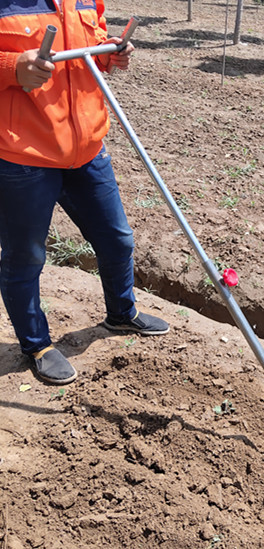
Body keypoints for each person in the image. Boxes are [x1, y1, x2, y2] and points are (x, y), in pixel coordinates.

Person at [0, 0, 169, 385]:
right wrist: (12, 68)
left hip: (87, 151)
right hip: (23, 155)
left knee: (117, 239)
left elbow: (87, 51)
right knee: (25, 256)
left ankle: (121, 313)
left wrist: (111, 52)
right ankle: (36, 344)